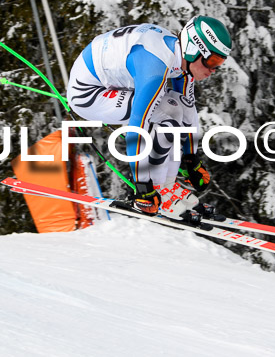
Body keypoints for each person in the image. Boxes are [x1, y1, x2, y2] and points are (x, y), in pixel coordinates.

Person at [67, 16, 232, 223]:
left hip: (110, 81)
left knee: (176, 108)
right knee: (166, 122)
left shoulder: (181, 60)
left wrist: (191, 159)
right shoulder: (155, 67)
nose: (213, 70)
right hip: (88, 93)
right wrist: (142, 188)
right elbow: (137, 129)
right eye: (213, 61)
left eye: (220, 63)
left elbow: (189, 111)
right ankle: (156, 189)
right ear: (194, 49)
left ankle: (167, 185)